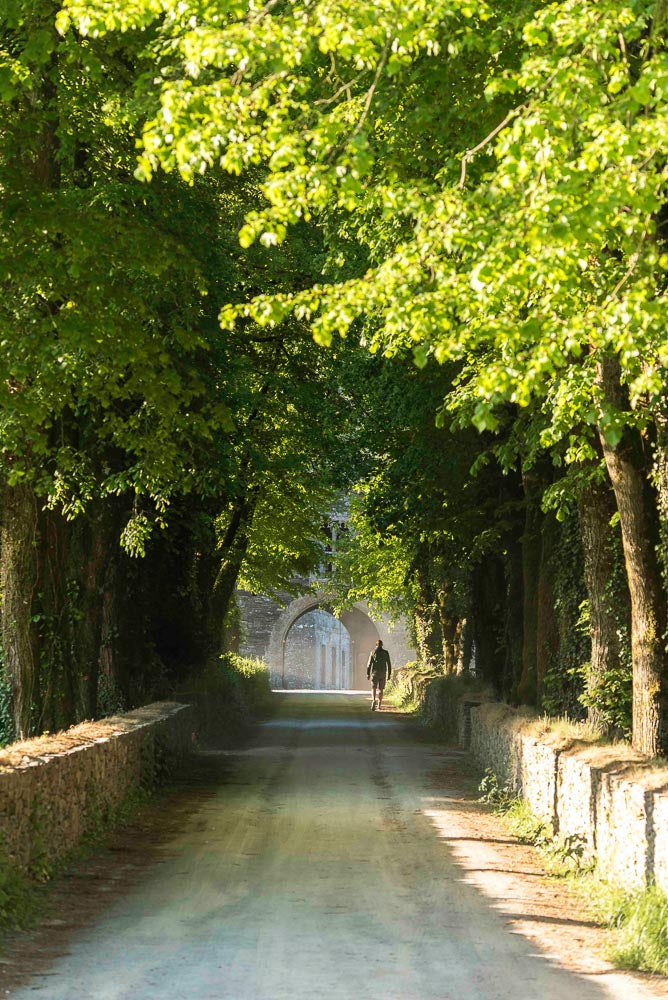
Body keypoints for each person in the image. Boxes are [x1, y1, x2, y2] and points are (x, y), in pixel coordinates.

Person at [366, 639, 391, 712]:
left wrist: (368, 673)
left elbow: (369, 665)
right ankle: (379, 705)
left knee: (373, 687)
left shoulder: (373, 652)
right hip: (383, 673)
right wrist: (389, 674)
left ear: (376, 645)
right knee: (381, 689)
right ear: (382, 645)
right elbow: (389, 664)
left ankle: (373, 700)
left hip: (375, 673)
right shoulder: (386, 653)